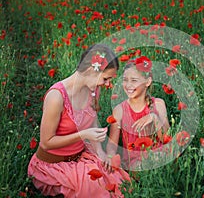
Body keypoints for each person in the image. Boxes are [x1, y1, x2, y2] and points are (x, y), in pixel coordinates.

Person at [27, 44, 130, 198]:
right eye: (106, 78)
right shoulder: (57, 97)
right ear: (91, 70)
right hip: (54, 165)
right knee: (96, 188)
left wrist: (100, 152)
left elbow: (92, 120)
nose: (108, 84)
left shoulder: (94, 89)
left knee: (117, 180)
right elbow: (46, 142)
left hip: (81, 156)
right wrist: (83, 135)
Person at [103, 56, 170, 172]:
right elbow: (112, 144)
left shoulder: (158, 104)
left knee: (159, 161)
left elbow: (167, 139)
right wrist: (110, 156)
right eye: (125, 80)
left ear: (147, 82)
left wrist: (154, 118)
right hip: (134, 161)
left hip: (158, 155)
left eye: (134, 80)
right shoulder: (119, 110)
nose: (128, 85)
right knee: (140, 167)